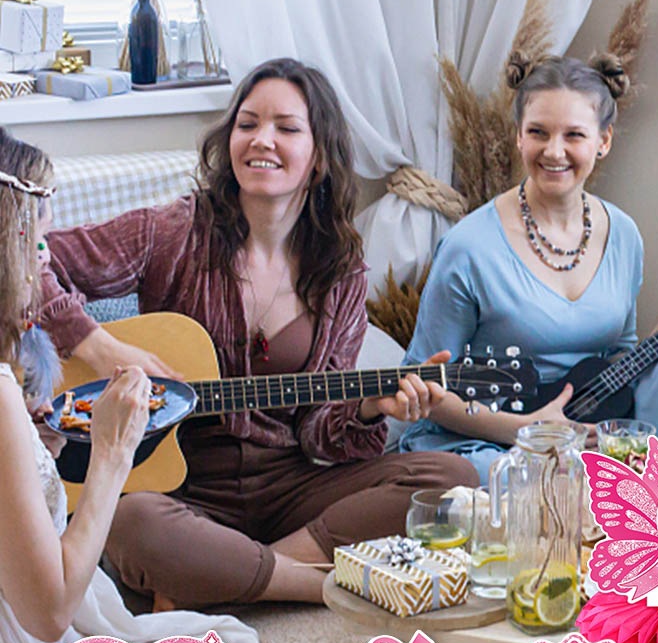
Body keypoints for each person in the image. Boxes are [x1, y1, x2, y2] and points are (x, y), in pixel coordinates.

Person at [39, 58, 477, 612]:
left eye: (286, 128)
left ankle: (225, 574)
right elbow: (27, 260)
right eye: (247, 124)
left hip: (291, 487)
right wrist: (100, 347)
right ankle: (325, 587)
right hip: (181, 489)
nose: (261, 140)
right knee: (129, 521)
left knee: (451, 477)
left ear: (318, 157)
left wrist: (370, 407)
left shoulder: (340, 269)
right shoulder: (172, 232)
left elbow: (319, 434)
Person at [0, 130, 277, 643]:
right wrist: (110, 455)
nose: (46, 259)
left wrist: (35, 447)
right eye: (39, 241)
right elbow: (49, 613)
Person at [401, 52, 658, 482]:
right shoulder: (468, 248)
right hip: (493, 438)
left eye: (574, 135)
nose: (554, 151)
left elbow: (613, 357)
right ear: (518, 136)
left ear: (603, 141)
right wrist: (529, 430)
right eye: (538, 132)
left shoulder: (623, 235)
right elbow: (423, 385)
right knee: (543, 480)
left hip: (590, 428)